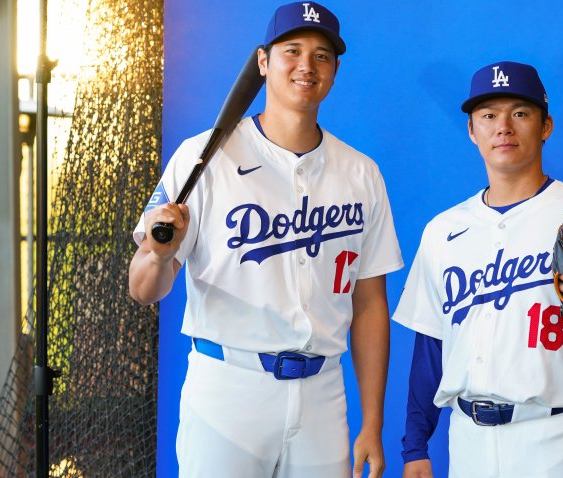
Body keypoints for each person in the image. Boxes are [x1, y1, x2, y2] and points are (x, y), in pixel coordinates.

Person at [129, 3, 403, 477]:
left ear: (335, 70)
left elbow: (370, 304)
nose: (306, 66)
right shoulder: (202, 156)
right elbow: (143, 288)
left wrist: (372, 423)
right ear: (263, 63)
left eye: (322, 56)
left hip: (322, 393)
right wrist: (160, 254)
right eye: (291, 51)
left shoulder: (361, 173)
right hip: (229, 389)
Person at [393, 61, 563, 477]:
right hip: (468, 442)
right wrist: (415, 447)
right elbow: (430, 349)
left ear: (545, 125)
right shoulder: (443, 230)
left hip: (557, 438)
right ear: (472, 130)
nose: (504, 127)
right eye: (489, 115)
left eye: (520, 113)